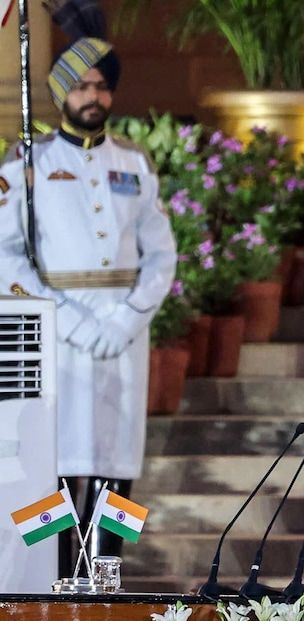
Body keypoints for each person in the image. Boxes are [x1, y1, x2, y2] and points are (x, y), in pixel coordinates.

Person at [0, 36, 176, 567]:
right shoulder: (26, 162)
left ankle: (107, 574)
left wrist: (128, 317)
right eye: (80, 85)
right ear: (60, 95)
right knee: (49, 461)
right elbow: (7, 257)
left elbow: (162, 254)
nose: (92, 95)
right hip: (55, 334)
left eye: (100, 85)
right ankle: (48, 577)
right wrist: (69, 322)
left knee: (119, 461)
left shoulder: (134, 163)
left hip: (124, 336)